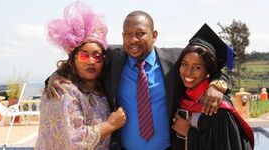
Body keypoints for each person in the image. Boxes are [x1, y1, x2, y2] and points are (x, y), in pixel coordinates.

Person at [46, 11, 231, 150]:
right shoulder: (112, 58)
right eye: (127, 34)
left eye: (140, 33)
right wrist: (55, 76)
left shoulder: (175, 60)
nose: (132, 40)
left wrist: (217, 85)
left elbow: (211, 65)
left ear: (154, 35)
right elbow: (81, 61)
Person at [35, 2, 126, 150]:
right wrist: (110, 125)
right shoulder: (63, 92)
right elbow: (72, 141)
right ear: (73, 60)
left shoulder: (100, 89)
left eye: (97, 56)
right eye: (84, 56)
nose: (91, 60)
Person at [171, 24, 254, 150]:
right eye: (184, 64)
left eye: (197, 67)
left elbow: (227, 145)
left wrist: (188, 133)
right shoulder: (184, 96)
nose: (188, 73)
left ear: (208, 71)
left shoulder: (217, 106)